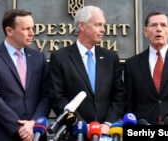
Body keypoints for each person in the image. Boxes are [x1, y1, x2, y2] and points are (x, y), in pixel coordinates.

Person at [48, 5, 126, 139]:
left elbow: (119, 94)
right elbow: (58, 98)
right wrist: (80, 124)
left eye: (104, 25)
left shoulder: (110, 58)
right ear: (82, 26)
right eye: (98, 25)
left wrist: (108, 123)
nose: (103, 30)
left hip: (106, 133)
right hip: (75, 133)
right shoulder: (60, 58)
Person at [0, 9, 50, 141]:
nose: (31, 33)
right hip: (4, 134)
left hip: (36, 134)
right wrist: (19, 127)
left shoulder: (39, 58)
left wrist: (33, 123)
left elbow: (46, 96)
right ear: (9, 31)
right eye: (26, 29)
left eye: (32, 28)